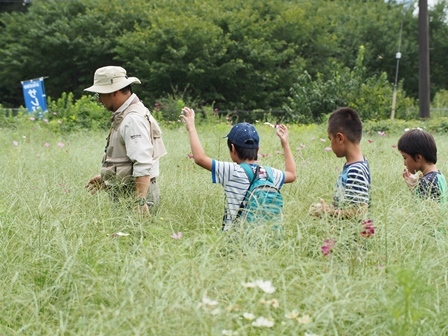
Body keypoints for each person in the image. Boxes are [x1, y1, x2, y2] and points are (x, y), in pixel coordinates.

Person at [180, 107, 296, 231]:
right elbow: (292, 174)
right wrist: (285, 144)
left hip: (236, 239)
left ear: (233, 149)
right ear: (258, 149)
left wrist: (191, 127)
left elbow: (199, 159)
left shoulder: (232, 171)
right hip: (265, 238)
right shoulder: (270, 173)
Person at [84, 66, 167, 215]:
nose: (99, 100)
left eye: (100, 95)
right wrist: (107, 178)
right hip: (133, 194)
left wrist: (140, 201)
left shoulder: (132, 119)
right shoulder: (126, 114)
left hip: (137, 196)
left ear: (114, 92)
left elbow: (143, 163)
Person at [309, 107, 371, 219]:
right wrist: (328, 209)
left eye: (330, 139)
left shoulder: (355, 170)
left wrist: (328, 212)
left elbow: (359, 212)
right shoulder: (357, 164)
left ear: (340, 138)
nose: (330, 145)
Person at [397, 128, 447, 203]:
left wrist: (414, 188)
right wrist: (416, 185)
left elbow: (423, 210)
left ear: (418, 157)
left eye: (405, 158)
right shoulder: (439, 176)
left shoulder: (427, 181)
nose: (404, 163)